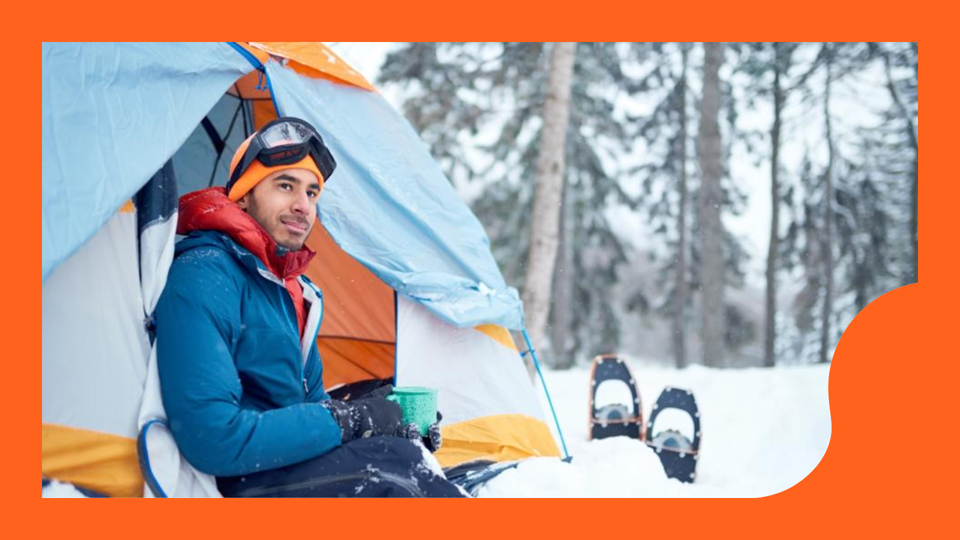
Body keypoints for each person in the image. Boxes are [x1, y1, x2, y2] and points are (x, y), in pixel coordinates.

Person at [156, 117, 462, 498]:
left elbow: (308, 407)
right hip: (227, 482)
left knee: (402, 454)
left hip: (278, 466)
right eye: (286, 186)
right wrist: (352, 420)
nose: (302, 206)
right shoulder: (204, 274)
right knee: (398, 480)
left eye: (313, 193)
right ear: (244, 194)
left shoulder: (293, 290)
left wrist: (375, 415)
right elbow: (212, 438)